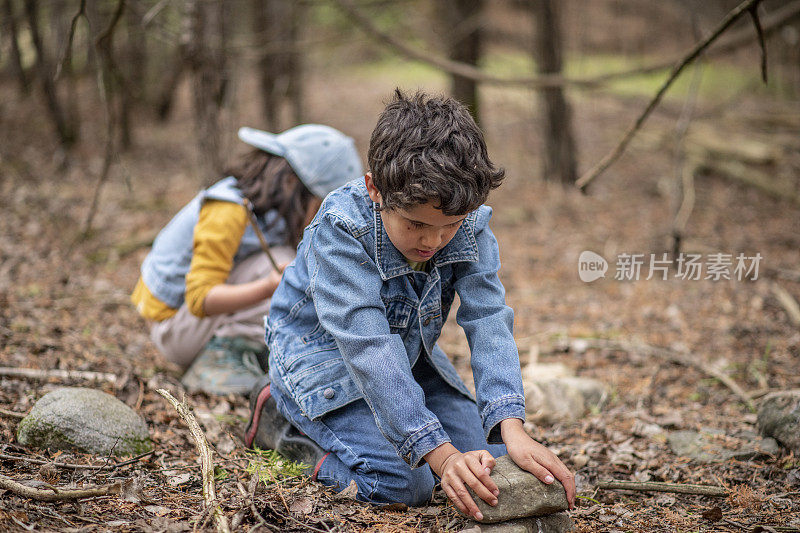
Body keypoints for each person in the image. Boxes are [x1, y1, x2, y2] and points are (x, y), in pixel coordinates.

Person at [245, 90, 575, 519]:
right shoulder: (341, 231)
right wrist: (438, 454)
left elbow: (488, 318)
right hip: (321, 362)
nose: (432, 241)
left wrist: (511, 428)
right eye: (416, 224)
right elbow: (367, 346)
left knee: (490, 461)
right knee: (402, 484)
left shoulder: (470, 224)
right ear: (374, 189)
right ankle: (281, 422)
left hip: (407, 357)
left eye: (449, 226)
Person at [131, 124, 363, 395]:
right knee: (285, 268)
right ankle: (223, 360)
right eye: (321, 206)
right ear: (292, 184)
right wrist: (268, 286)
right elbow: (199, 298)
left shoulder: (268, 213)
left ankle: (257, 348)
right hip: (172, 329)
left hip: (190, 323)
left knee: (289, 262)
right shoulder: (228, 210)